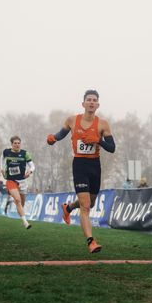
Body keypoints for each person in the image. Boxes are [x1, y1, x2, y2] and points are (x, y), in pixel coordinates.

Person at [47, 89, 116, 253]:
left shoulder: (103, 124)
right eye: (89, 100)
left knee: (90, 202)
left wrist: (98, 140)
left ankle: (68, 208)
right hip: (79, 165)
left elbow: (112, 148)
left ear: (97, 105)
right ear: (83, 103)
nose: (91, 102)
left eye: (94, 100)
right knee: (85, 206)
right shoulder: (72, 120)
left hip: (94, 166)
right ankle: (91, 242)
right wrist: (53, 139)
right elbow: (61, 134)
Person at [0, 135, 35, 229]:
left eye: (18, 143)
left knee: (21, 203)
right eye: (15, 143)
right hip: (11, 180)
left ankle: (14, 203)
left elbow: (32, 166)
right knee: (18, 200)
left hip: (22, 181)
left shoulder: (25, 153)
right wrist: (2, 169)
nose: (17, 145)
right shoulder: (6, 152)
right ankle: (25, 222)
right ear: (11, 144)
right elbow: (1, 159)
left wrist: (30, 171)